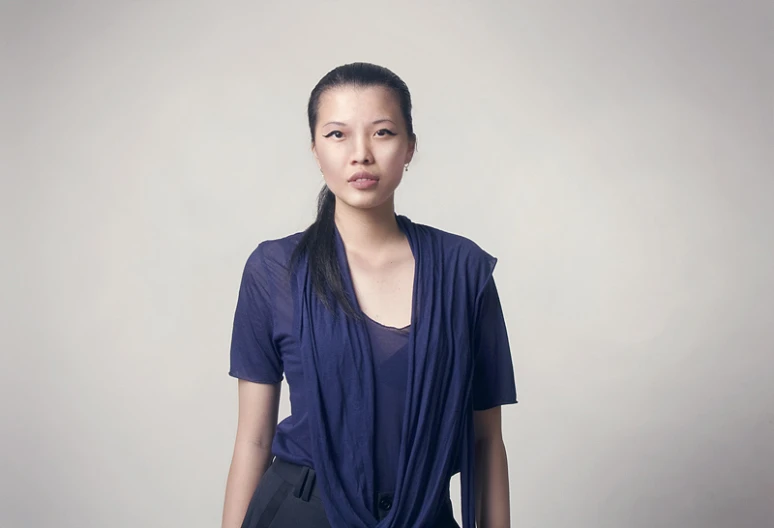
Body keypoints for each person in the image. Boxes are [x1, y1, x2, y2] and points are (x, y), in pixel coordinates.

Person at [222, 62, 517, 528]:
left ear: (410, 147)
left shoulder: (463, 271)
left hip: (424, 514)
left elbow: (486, 440)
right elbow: (253, 441)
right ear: (315, 150)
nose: (361, 154)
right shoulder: (274, 270)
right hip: (301, 512)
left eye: (382, 132)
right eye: (337, 135)